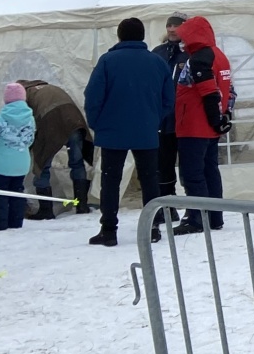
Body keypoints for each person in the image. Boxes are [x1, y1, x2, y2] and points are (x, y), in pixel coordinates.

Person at [83, 17, 174, 247]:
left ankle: (109, 230)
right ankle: (152, 227)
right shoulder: (157, 62)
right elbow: (168, 99)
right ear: (142, 36)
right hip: (146, 129)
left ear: (119, 35)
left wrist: (97, 123)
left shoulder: (107, 61)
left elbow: (93, 97)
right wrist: (154, 118)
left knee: (110, 181)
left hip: (113, 131)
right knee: (150, 180)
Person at [169, 15, 233, 235]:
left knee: (193, 174)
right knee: (210, 171)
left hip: (195, 125)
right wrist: (224, 118)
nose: (183, 41)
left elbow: (208, 92)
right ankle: (215, 216)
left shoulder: (199, 58)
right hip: (209, 128)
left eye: (186, 36)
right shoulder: (220, 56)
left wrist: (215, 119)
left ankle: (197, 218)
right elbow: (229, 92)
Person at [22, 79, 92, 219]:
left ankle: (46, 210)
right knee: (77, 162)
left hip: (50, 120)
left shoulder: (24, 95)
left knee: (42, 164)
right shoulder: (50, 87)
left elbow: (26, 122)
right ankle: (81, 205)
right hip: (73, 120)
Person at [0, 83, 36, 231]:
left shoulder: (1, 117)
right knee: (17, 190)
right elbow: (30, 139)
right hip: (22, 162)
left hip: (1, 162)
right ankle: (16, 221)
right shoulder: (30, 118)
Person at [153, 13, 188, 214]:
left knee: (190, 168)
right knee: (163, 166)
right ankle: (168, 206)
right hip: (163, 121)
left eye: (177, 25)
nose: (172, 29)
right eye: (169, 25)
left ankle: (196, 208)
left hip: (186, 121)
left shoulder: (192, 53)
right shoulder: (158, 53)